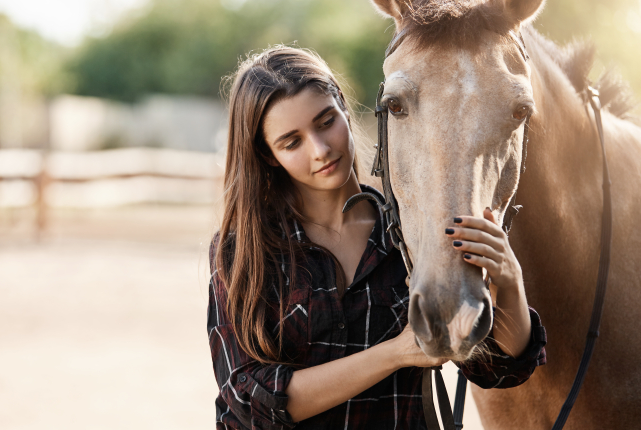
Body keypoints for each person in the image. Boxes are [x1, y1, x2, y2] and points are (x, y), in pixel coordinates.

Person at [207, 46, 546, 430]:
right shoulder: (245, 250)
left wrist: (510, 280)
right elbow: (247, 401)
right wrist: (395, 354)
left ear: (344, 107)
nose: (320, 150)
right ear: (268, 155)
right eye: (292, 142)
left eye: (325, 121)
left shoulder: (413, 232)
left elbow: (500, 369)